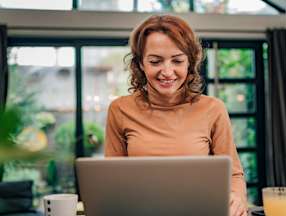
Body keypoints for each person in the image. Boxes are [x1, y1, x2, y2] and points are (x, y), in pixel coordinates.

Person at [105, 15, 248, 216]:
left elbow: (233, 174)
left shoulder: (213, 109)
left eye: (177, 60)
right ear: (140, 64)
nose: (167, 71)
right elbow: (112, 180)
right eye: (155, 61)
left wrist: (237, 198)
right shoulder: (120, 109)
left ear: (189, 63)